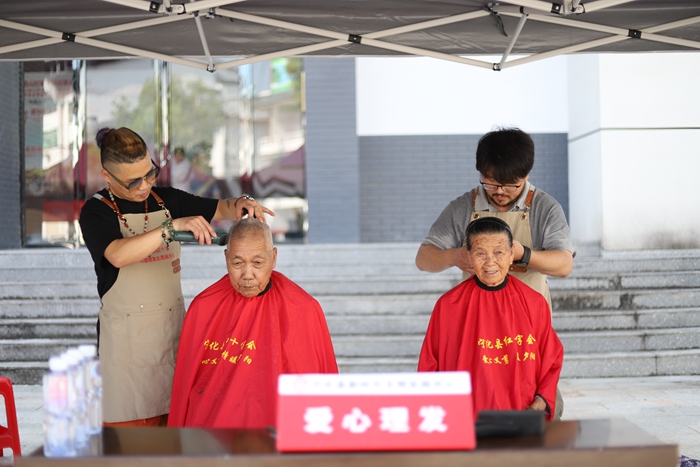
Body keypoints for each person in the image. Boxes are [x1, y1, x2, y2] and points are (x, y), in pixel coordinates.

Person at [79, 127, 274, 427]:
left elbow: (221, 207)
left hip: (172, 338)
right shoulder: (96, 211)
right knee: (128, 442)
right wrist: (170, 229)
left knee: (175, 434)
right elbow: (117, 254)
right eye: (133, 182)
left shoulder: (165, 199)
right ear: (107, 176)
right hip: (124, 350)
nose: (145, 185)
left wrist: (242, 202)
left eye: (150, 174)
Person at [168, 219, 338, 429]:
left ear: (274, 258)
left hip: (281, 433)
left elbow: (324, 386)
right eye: (237, 263)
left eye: (257, 263)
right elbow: (185, 387)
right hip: (215, 436)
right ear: (226, 258)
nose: (247, 275)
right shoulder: (204, 307)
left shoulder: (304, 309)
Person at [418, 217, 564, 420]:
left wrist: (539, 404)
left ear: (511, 255)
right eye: (480, 253)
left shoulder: (534, 303)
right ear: (469, 257)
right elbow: (429, 367)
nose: (490, 262)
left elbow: (551, 359)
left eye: (499, 252)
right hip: (466, 419)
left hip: (523, 417)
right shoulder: (448, 306)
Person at [415, 127, 574, 311]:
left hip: (528, 316)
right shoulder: (462, 207)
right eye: (491, 182)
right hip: (478, 316)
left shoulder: (546, 208)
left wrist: (524, 254)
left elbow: (564, 265)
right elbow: (423, 259)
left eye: (510, 184)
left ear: (526, 175)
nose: (499, 191)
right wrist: (455, 257)